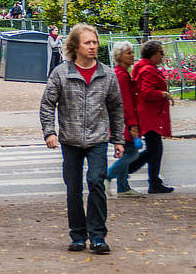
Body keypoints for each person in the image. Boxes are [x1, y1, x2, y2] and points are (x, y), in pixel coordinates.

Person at [40, 23, 124, 255]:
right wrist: (50, 132)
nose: (92, 46)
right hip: (70, 139)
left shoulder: (107, 74)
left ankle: (97, 236)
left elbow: (116, 108)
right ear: (75, 46)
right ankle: (78, 235)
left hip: (98, 139)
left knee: (96, 182)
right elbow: (47, 104)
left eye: (95, 42)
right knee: (73, 188)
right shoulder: (61, 73)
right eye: (87, 42)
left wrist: (118, 139)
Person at [128, 40, 175, 194]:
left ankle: (154, 182)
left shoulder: (146, 68)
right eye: (161, 52)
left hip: (150, 115)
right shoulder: (148, 70)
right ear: (153, 54)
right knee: (154, 150)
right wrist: (163, 93)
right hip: (149, 116)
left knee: (155, 150)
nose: (162, 55)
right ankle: (128, 168)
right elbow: (146, 92)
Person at [104, 41, 145, 198]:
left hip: (119, 121)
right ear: (119, 57)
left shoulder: (120, 74)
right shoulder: (121, 76)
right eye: (128, 53)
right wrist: (133, 125)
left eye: (132, 52)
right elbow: (125, 103)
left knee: (127, 151)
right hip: (123, 122)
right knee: (132, 153)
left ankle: (123, 187)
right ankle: (108, 176)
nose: (132, 55)